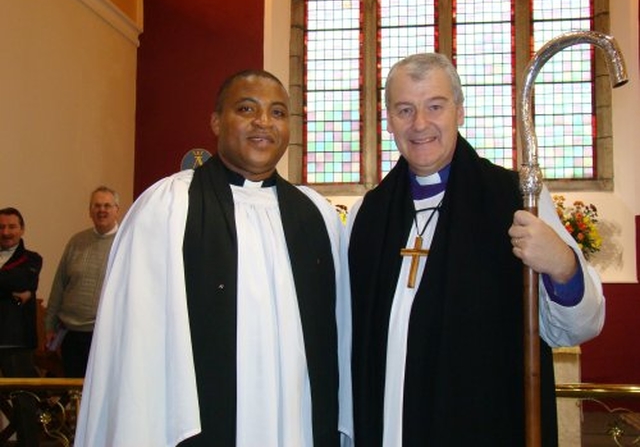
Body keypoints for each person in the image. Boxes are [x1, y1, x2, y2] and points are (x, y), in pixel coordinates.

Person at [74, 70, 352, 446]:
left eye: (278, 113)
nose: (263, 123)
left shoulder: (318, 216)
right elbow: (137, 345)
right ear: (216, 121)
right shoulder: (168, 208)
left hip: (298, 419)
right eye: (246, 108)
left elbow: (341, 334)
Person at [347, 53, 605, 446]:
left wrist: (563, 268)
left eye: (435, 106)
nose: (420, 124)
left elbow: (576, 327)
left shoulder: (516, 197)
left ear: (459, 111)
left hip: (482, 423)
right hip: (387, 426)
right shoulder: (369, 213)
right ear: (388, 121)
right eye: (405, 110)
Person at [44, 186, 119, 377]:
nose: (102, 210)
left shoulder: (124, 242)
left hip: (104, 334)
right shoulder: (77, 241)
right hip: (70, 333)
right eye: (97, 205)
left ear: (117, 209)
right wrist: (49, 326)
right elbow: (59, 284)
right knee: (73, 390)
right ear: (90, 211)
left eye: (107, 205)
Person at [0, 207, 43, 447]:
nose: (6, 232)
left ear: (22, 229)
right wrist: (11, 292)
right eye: (1, 227)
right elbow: (14, 283)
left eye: (11, 226)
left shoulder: (33, 259)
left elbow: (23, 280)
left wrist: (14, 285)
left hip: (17, 341)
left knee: (24, 403)